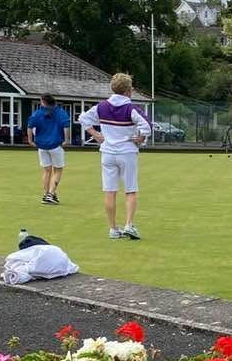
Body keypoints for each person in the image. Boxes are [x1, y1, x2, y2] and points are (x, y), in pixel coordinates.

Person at [78, 73, 152, 240]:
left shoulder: (101, 107)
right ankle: (129, 225)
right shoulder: (131, 108)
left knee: (110, 191)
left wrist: (96, 134)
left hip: (108, 153)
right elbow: (147, 126)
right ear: (128, 91)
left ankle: (112, 229)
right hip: (127, 152)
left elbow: (83, 119)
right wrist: (141, 138)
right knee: (130, 190)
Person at [27, 93, 71, 204]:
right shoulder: (61, 112)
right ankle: (51, 194)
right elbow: (66, 127)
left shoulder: (37, 113)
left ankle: (46, 194)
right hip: (55, 145)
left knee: (47, 171)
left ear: (43, 102)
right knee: (58, 170)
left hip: (41, 146)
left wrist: (30, 141)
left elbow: (30, 126)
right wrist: (66, 140)